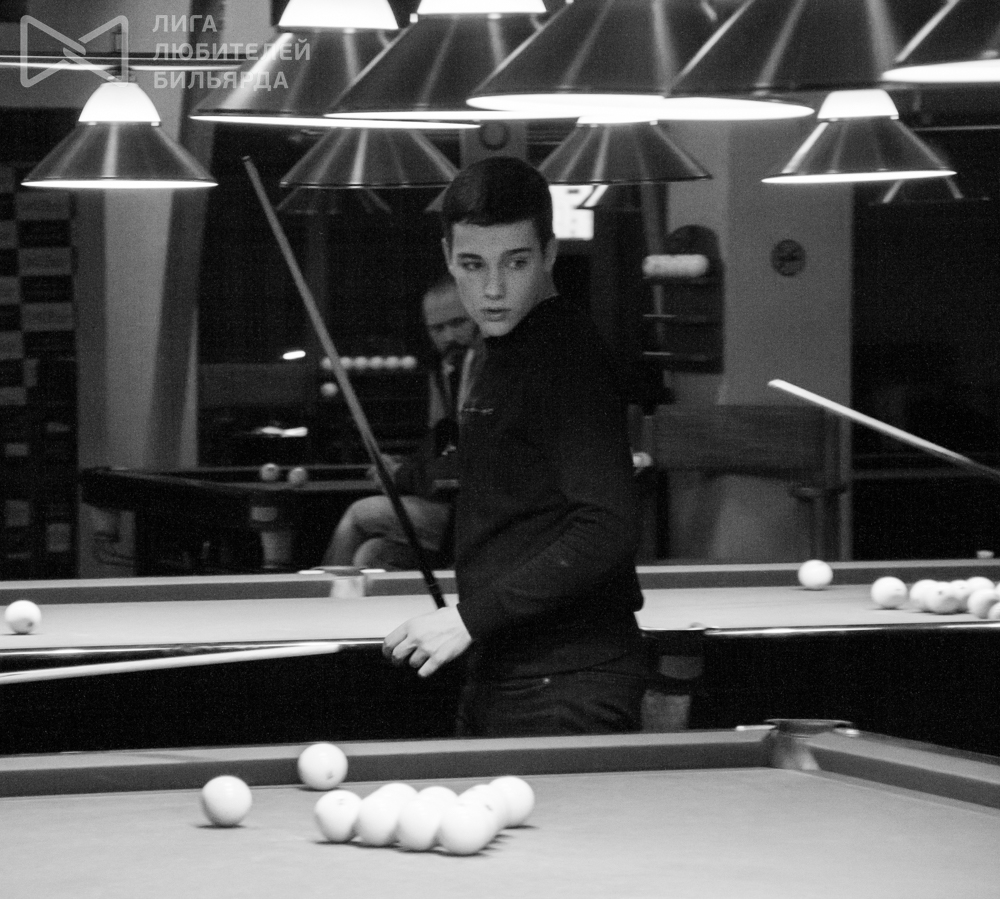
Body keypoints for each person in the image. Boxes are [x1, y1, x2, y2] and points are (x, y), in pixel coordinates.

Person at [383, 155, 647, 737]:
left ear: (549, 254)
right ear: (448, 256)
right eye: (473, 264)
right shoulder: (506, 349)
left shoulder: (566, 355)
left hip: (565, 686)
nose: (494, 289)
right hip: (511, 669)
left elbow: (607, 526)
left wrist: (468, 619)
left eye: (516, 261)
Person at [323, 276, 479, 570]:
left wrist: (401, 477)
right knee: (371, 555)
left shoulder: (484, 364)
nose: (448, 336)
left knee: (359, 514)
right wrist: (401, 468)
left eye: (458, 323)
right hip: (455, 514)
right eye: (437, 328)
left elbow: (463, 465)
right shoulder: (447, 371)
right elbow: (443, 446)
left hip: (479, 517)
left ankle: (321, 599)